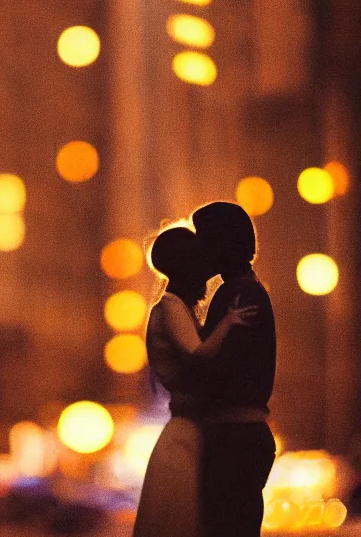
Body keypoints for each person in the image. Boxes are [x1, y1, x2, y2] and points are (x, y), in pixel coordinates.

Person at [133, 226, 257, 537]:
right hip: (185, 434)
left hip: (188, 428)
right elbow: (198, 352)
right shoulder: (172, 305)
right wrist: (229, 321)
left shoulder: (175, 305)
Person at [191, 201, 277, 537]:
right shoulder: (240, 289)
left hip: (233, 438)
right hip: (241, 436)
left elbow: (216, 367)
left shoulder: (237, 294)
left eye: (203, 240)